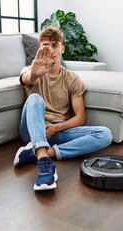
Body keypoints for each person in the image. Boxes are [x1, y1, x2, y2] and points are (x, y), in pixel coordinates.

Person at [14, 26, 112, 191]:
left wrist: (57, 127)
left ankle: (40, 153)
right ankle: (44, 163)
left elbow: (80, 118)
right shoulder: (31, 70)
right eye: (45, 45)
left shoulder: (72, 79)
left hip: (57, 130)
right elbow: (26, 79)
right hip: (32, 130)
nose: (50, 49)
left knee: (105, 134)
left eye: (55, 45)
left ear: (62, 48)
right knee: (34, 98)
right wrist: (35, 74)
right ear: (40, 48)